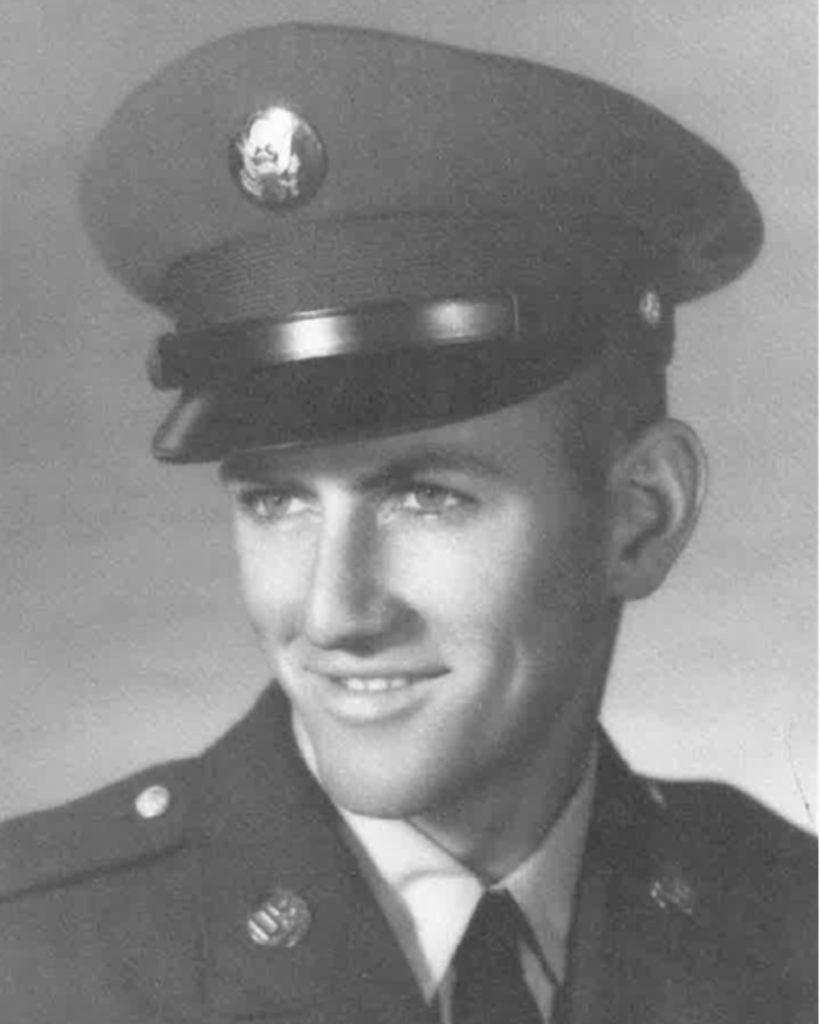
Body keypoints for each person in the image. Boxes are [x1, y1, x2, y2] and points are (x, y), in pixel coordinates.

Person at [0, 22, 816, 1024]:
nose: (333, 612)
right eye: (276, 500)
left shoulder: (791, 929)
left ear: (642, 515)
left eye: (426, 496)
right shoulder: (35, 964)